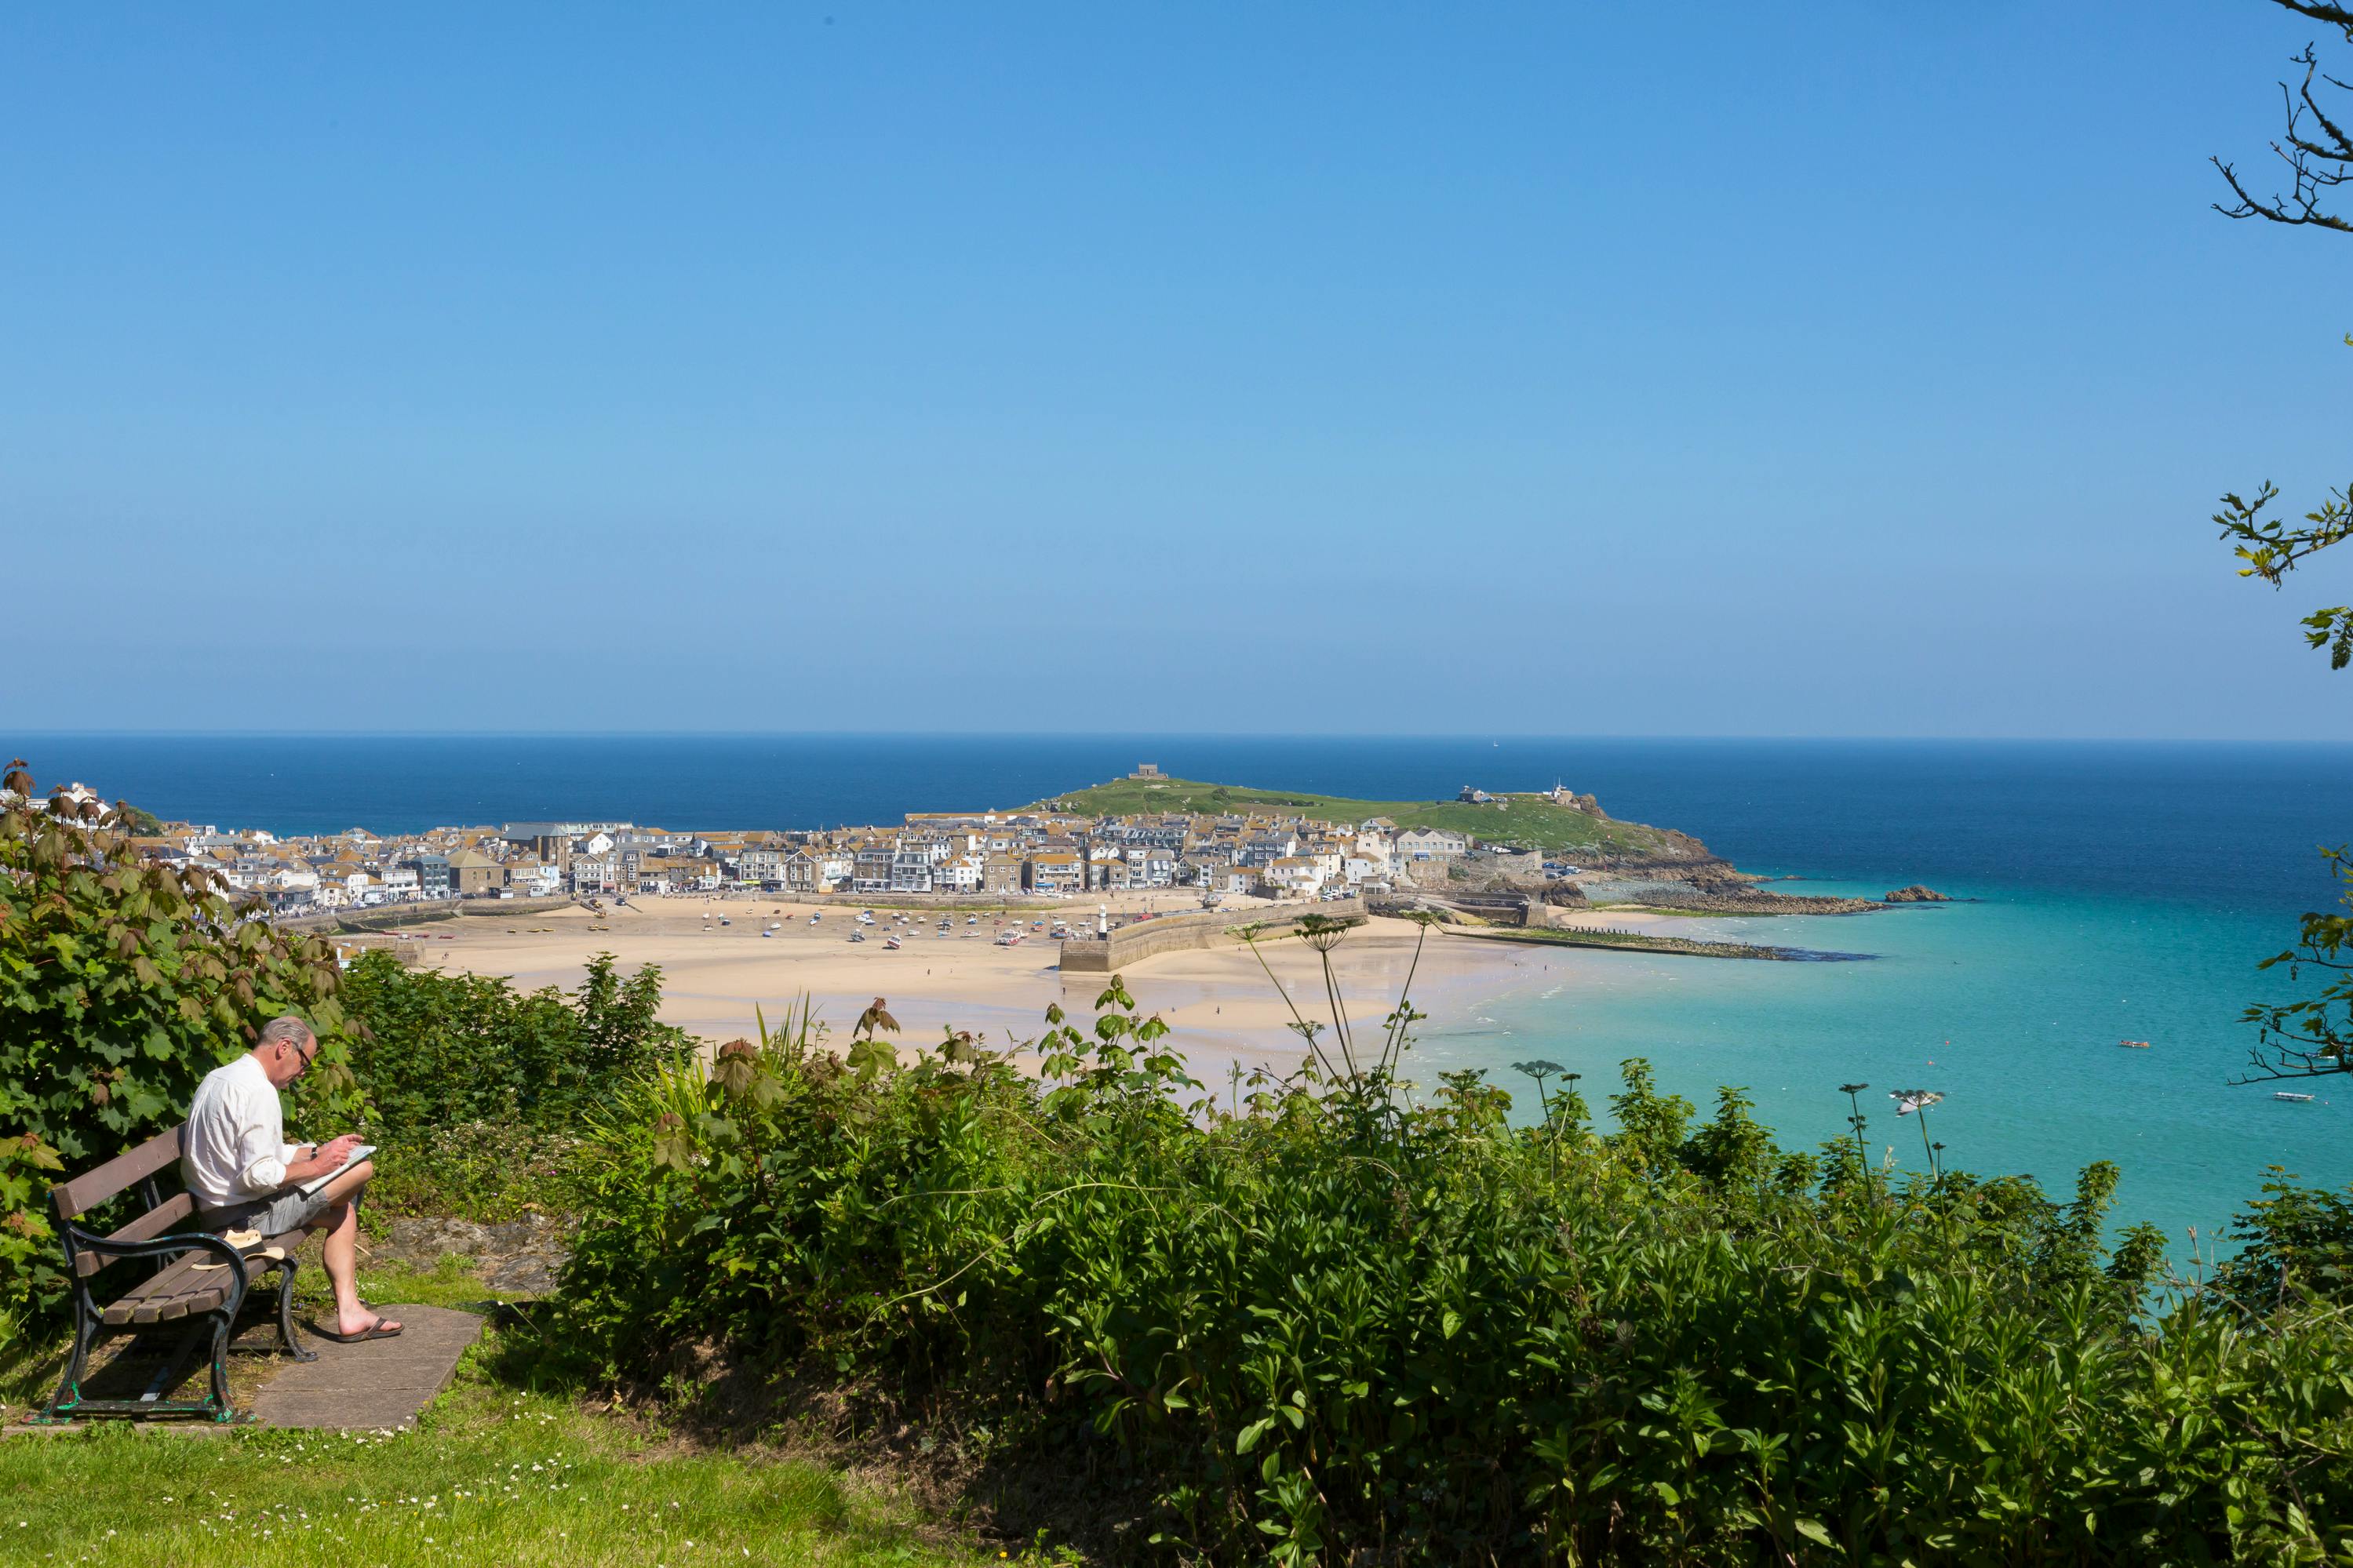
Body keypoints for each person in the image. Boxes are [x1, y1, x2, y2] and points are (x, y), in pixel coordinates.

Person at [182, 1015, 402, 1343]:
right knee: (361, 1171)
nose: (303, 1072)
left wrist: (317, 1152)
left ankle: (351, 1312)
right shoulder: (259, 1091)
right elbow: (257, 1175)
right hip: (241, 1219)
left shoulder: (222, 1077)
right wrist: (318, 1169)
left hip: (219, 1206)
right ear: (285, 1047)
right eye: (305, 1062)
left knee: (343, 1212)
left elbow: (254, 1153)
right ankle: (351, 1311)